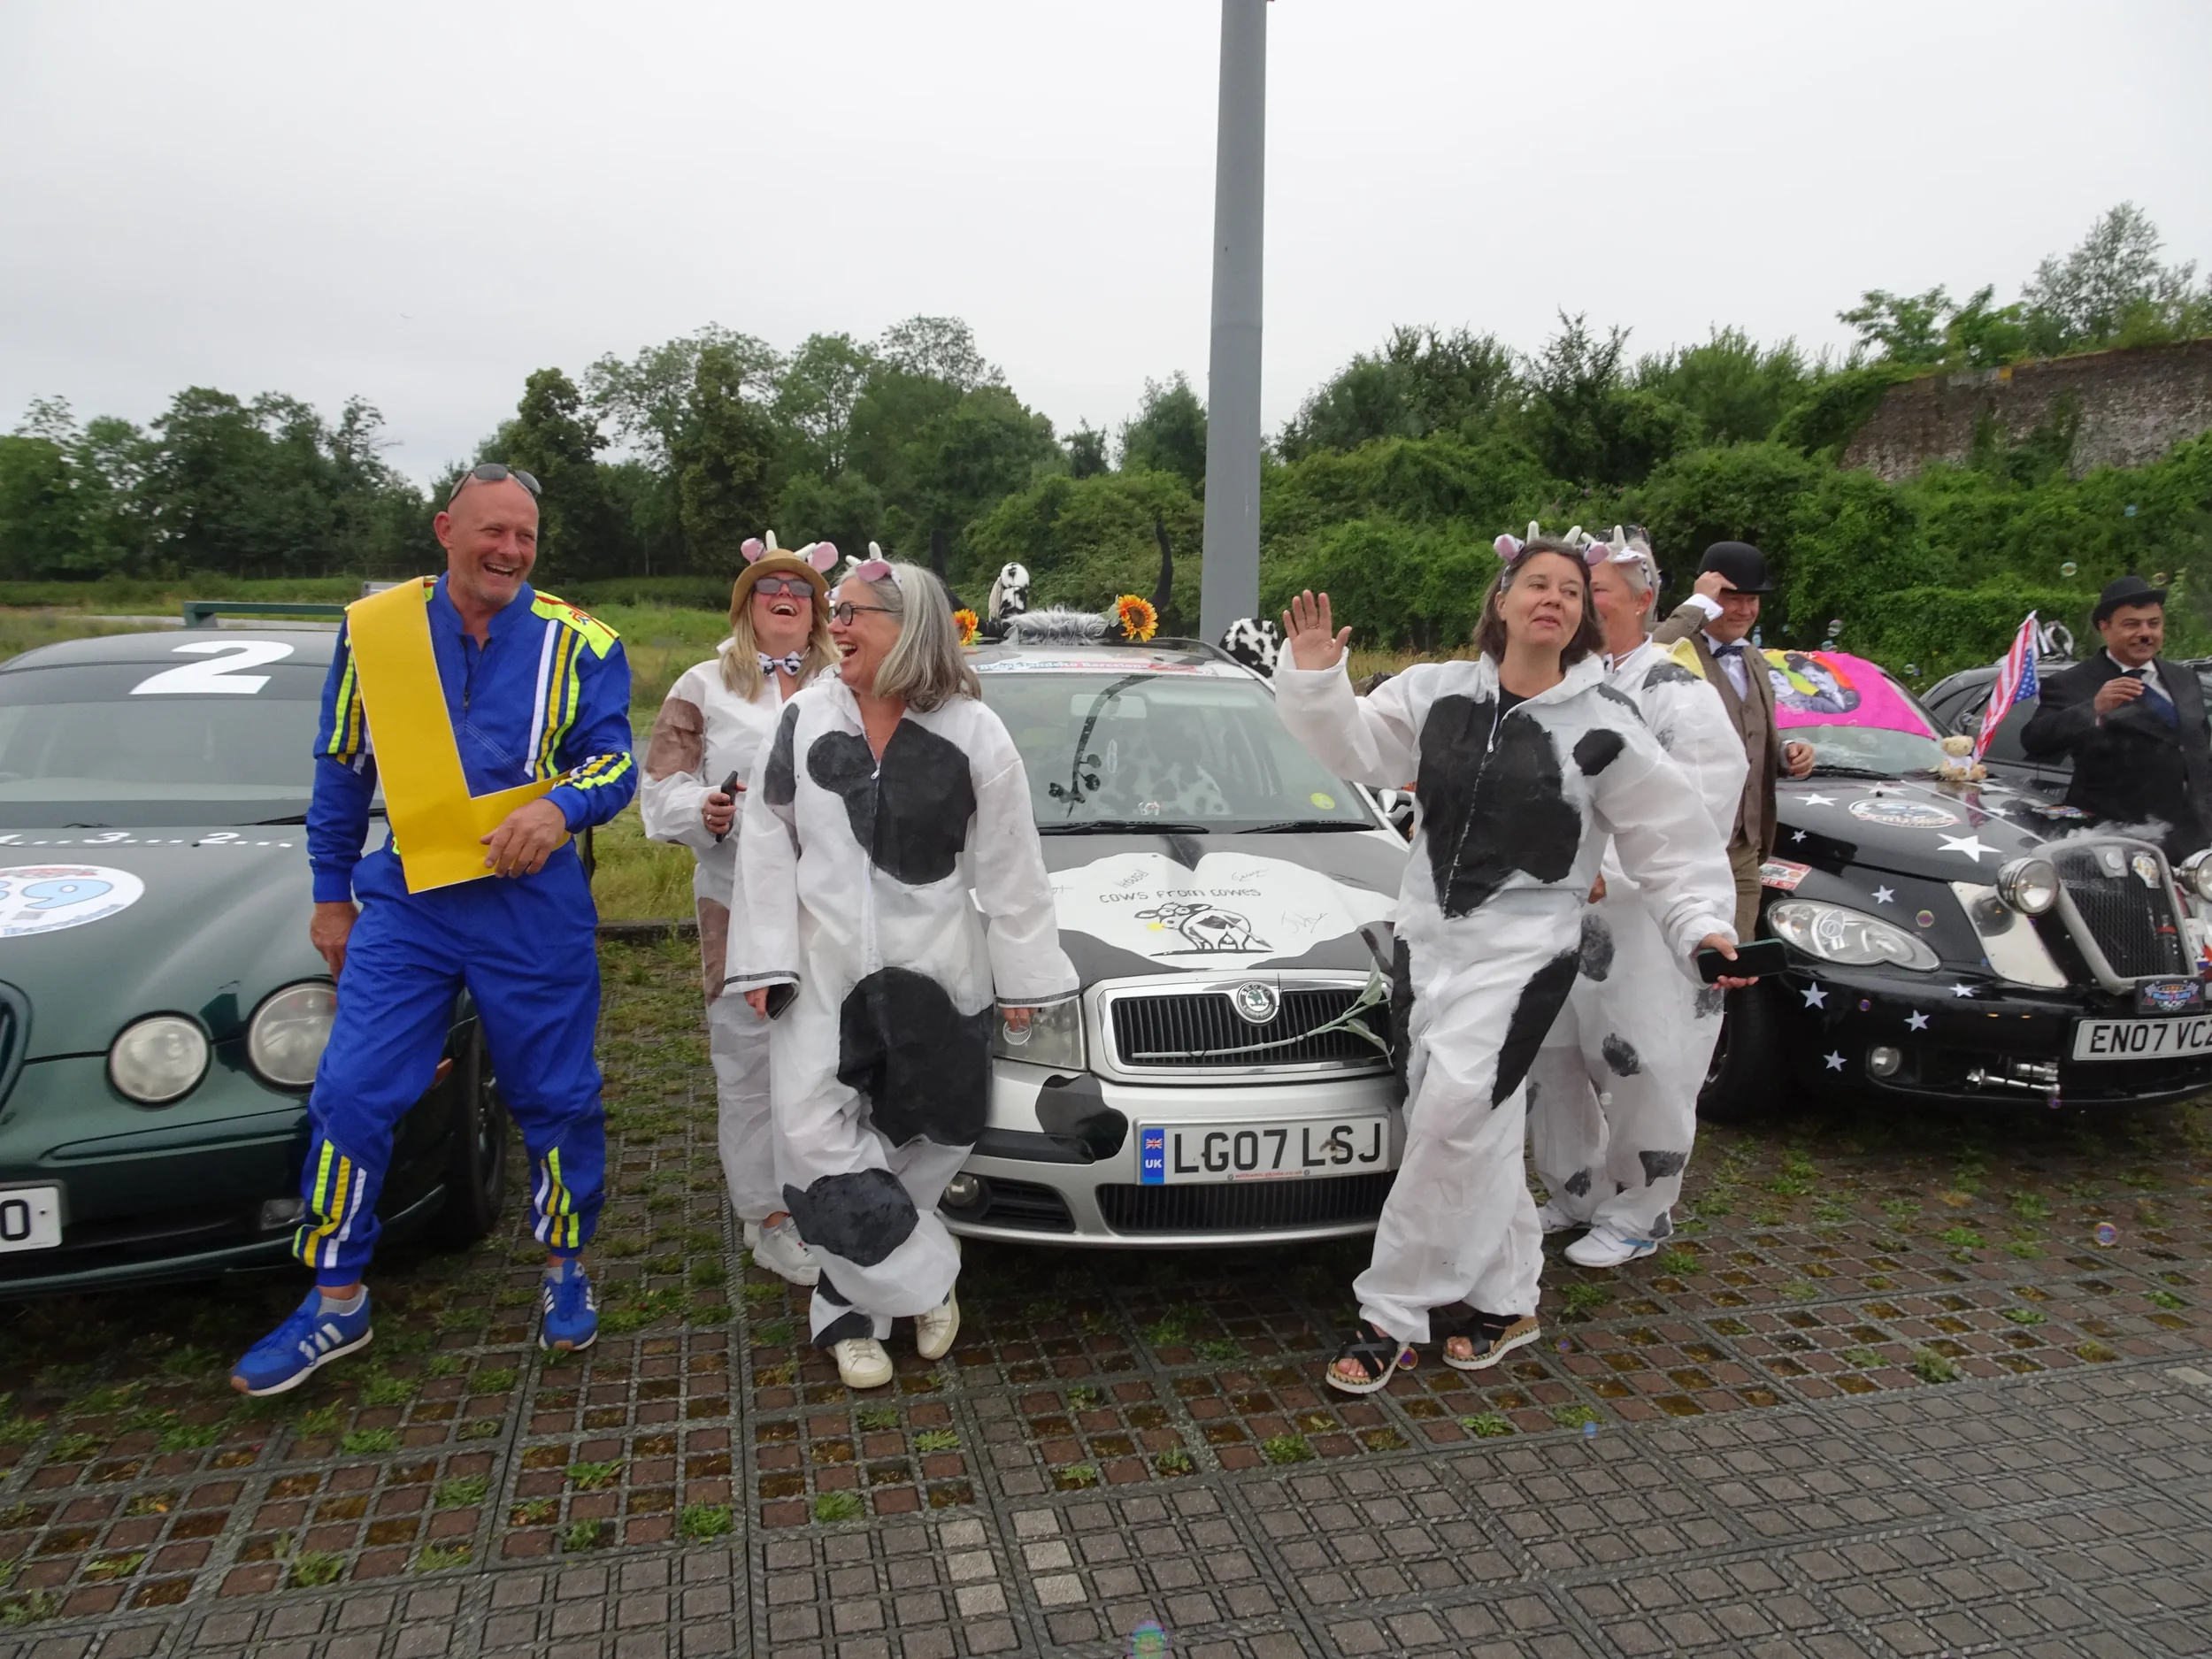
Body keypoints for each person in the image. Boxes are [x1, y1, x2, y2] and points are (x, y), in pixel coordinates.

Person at [1273, 536, 1743, 1398]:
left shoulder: (1605, 726)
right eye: (1537, 583)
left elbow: (1672, 844)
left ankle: (1391, 1314)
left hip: (1526, 951)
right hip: (1428, 939)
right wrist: (1313, 680)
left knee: (1457, 1110)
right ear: (1501, 599)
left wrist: (1704, 929)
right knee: (1459, 1123)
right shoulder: (1434, 693)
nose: (1554, 599)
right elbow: (1352, 750)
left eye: (1571, 590)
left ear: (1583, 618)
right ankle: (1508, 1297)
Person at [232, 464, 636, 1395]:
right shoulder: (375, 631)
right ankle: (336, 1299)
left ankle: (564, 1269)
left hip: (532, 909)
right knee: (351, 1091)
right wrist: (331, 893)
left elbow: (616, 762)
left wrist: (561, 811)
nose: (508, 551)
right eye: (492, 531)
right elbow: (342, 765)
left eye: (525, 538)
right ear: (444, 527)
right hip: (409, 905)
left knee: (557, 1096)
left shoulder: (581, 643)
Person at [727, 557, 1076, 1390]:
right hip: (822, 971)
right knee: (812, 1140)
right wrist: (765, 955)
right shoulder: (807, 718)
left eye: (852, 611)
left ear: (908, 622)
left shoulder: (973, 733)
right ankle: (925, 1276)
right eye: (833, 609)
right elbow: (768, 835)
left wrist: (1026, 981)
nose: (833, 624)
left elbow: (1012, 866)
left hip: (940, 972)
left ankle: (848, 1306)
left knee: (935, 1134)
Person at [1526, 529, 1747, 1269]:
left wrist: (1608, 866)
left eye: (1596, 594)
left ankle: (1642, 1208)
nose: (1580, 606)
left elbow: (1697, 809)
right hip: (1561, 918)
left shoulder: (1678, 691)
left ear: (1646, 599)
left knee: (1646, 1064)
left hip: (1645, 923)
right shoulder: (1565, 683)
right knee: (1553, 1059)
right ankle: (1577, 1189)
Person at [641, 534, 840, 1286]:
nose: (785, 597)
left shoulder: (846, 682)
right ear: (746, 604)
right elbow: (657, 793)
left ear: (817, 605)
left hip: (831, 903)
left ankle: (828, 1189)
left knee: (827, 1049)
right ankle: (767, 1216)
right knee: (749, 1056)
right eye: (768, 588)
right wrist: (708, 808)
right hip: (736, 903)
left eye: (798, 588)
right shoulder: (701, 685)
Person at [1650, 541, 1815, 940]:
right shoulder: (1671, 649)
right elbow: (1649, 655)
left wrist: (1785, 754)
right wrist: (1696, 604)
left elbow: (1747, 734)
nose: (1744, 610)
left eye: (1752, 600)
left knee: (1732, 967)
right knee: (1679, 966)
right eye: (1732, 599)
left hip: (1743, 848)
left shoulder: (1753, 658)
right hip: (1685, 846)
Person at [2021, 574, 2212, 860]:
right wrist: (2093, 709)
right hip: (2115, 841)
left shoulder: (2183, 678)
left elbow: (2199, 751)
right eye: (2132, 625)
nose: (2145, 633)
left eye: (2154, 624)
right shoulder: (2073, 683)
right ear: (2105, 627)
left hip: (2193, 845)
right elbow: (2035, 739)